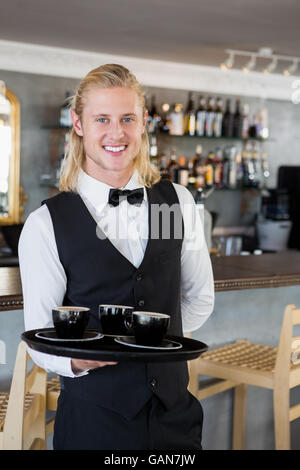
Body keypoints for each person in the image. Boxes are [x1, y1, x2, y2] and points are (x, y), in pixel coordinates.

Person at [18, 64, 214, 450]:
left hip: (174, 416)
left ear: (143, 122)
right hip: (96, 422)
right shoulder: (45, 223)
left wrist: (151, 341)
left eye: (127, 118)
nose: (116, 132)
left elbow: (199, 298)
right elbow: (41, 337)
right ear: (78, 124)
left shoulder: (179, 202)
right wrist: (81, 360)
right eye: (102, 119)